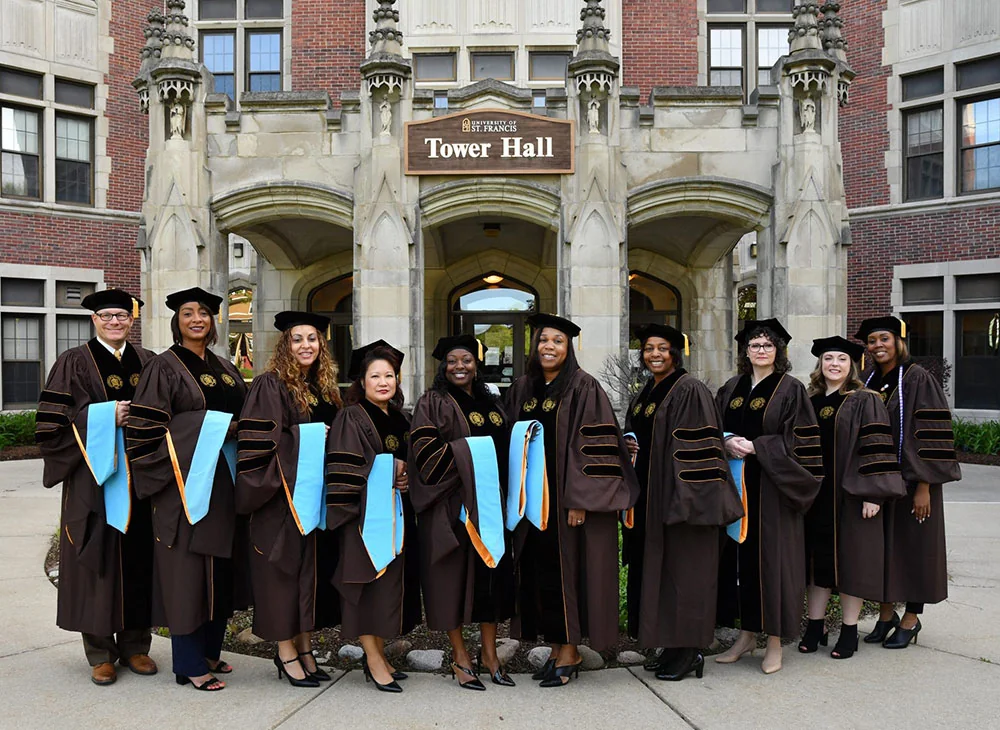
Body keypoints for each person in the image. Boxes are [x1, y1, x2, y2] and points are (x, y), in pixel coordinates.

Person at [504, 313, 639, 687]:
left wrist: (580, 499)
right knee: (539, 572)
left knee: (568, 574)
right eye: (543, 340)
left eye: (557, 341)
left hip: (566, 504)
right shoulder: (523, 388)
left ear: (569, 348)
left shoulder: (583, 387)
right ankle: (554, 647)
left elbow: (594, 449)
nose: (549, 346)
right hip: (531, 505)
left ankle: (571, 652)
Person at [126, 287, 249, 692]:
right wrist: (213, 426)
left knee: (220, 568)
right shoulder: (163, 367)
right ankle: (189, 663)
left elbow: (246, 417)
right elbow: (145, 432)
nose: (197, 319)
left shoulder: (226, 367)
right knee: (187, 571)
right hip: (182, 483)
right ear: (176, 321)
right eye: (188, 313)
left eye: (204, 313)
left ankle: (211, 651)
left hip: (225, 480)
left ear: (214, 322)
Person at [35, 289, 157, 686]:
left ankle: (137, 647)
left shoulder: (149, 362)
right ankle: (101, 653)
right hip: (93, 479)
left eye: (122, 315)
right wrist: (107, 417)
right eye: (107, 315)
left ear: (131, 320)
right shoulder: (74, 362)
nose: (115, 321)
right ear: (94, 320)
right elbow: (52, 423)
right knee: (96, 557)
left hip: (141, 477)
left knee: (140, 557)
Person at [624, 325, 743, 682]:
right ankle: (671, 646)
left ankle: (690, 651)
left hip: (685, 503)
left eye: (662, 348)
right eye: (648, 348)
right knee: (663, 574)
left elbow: (700, 451)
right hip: (650, 497)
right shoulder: (647, 390)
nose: (654, 354)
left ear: (676, 352)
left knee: (687, 574)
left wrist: (690, 502)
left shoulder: (689, 389)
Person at [236, 312, 343, 688]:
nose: (306, 346)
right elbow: (259, 442)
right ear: (286, 345)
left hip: (315, 497)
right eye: (297, 339)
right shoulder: (271, 384)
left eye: (312, 338)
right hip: (280, 498)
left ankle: (306, 647)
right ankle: (285, 653)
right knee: (283, 574)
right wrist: (307, 436)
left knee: (308, 575)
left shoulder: (324, 387)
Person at [714, 319, 823, 675]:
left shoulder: (791, 390)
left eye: (768, 345)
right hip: (734, 489)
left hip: (775, 492)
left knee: (773, 564)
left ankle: (774, 642)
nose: (761, 350)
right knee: (741, 564)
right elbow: (713, 428)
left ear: (779, 351)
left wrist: (759, 447)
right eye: (755, 345)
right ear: (745, 351)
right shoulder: (731, 387)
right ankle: (746, 637)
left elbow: (802, 443)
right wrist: (726, 441)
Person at [409, 335, 515, 691]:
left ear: (476, 364)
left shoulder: (491, 400)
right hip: (453, 505)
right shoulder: (433, 401)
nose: (459, 366)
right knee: (451, 581)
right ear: (443, 365)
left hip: (491, 504)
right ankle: (460, 656)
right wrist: (471, 460)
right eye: (452, 360)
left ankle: (490, 654)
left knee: (491, 580)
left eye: (467, 360)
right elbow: (424, 452)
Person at [855, 316, 962, 649]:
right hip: (882, 483)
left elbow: (932, 435)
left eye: (884, 338)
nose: (878, 346)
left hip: (915, 483)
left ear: (898, 341)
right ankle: (885, 616)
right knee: (885, 551)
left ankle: (911, 619)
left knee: (916, 550)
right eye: (872, 341)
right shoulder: (869, 379)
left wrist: (924, 486)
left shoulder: (918, 379)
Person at [799, 336, 906, 659]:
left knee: (850, 563)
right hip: (815, 496)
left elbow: (875, 447)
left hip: (851, 495)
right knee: (816, 564)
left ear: (853, 365)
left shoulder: (865, 399)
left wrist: (873, 493)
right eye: (828, 358)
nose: (834, 364)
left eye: (841, 359)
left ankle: (848, 631)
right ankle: (814, 626)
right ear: (820, 364)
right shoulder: (810, 399)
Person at [325, 341, 419, 693]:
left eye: (389, 375)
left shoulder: (401, 417)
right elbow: (345, 465)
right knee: (368, 584)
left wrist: (406, 474)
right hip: (363, 517)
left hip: (398, 515)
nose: (384, 382)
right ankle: (373, 658)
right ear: (361, 381)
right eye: (375, 376)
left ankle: (379, 652)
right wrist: (386, 469)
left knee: (388, 585)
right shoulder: (352, 415)